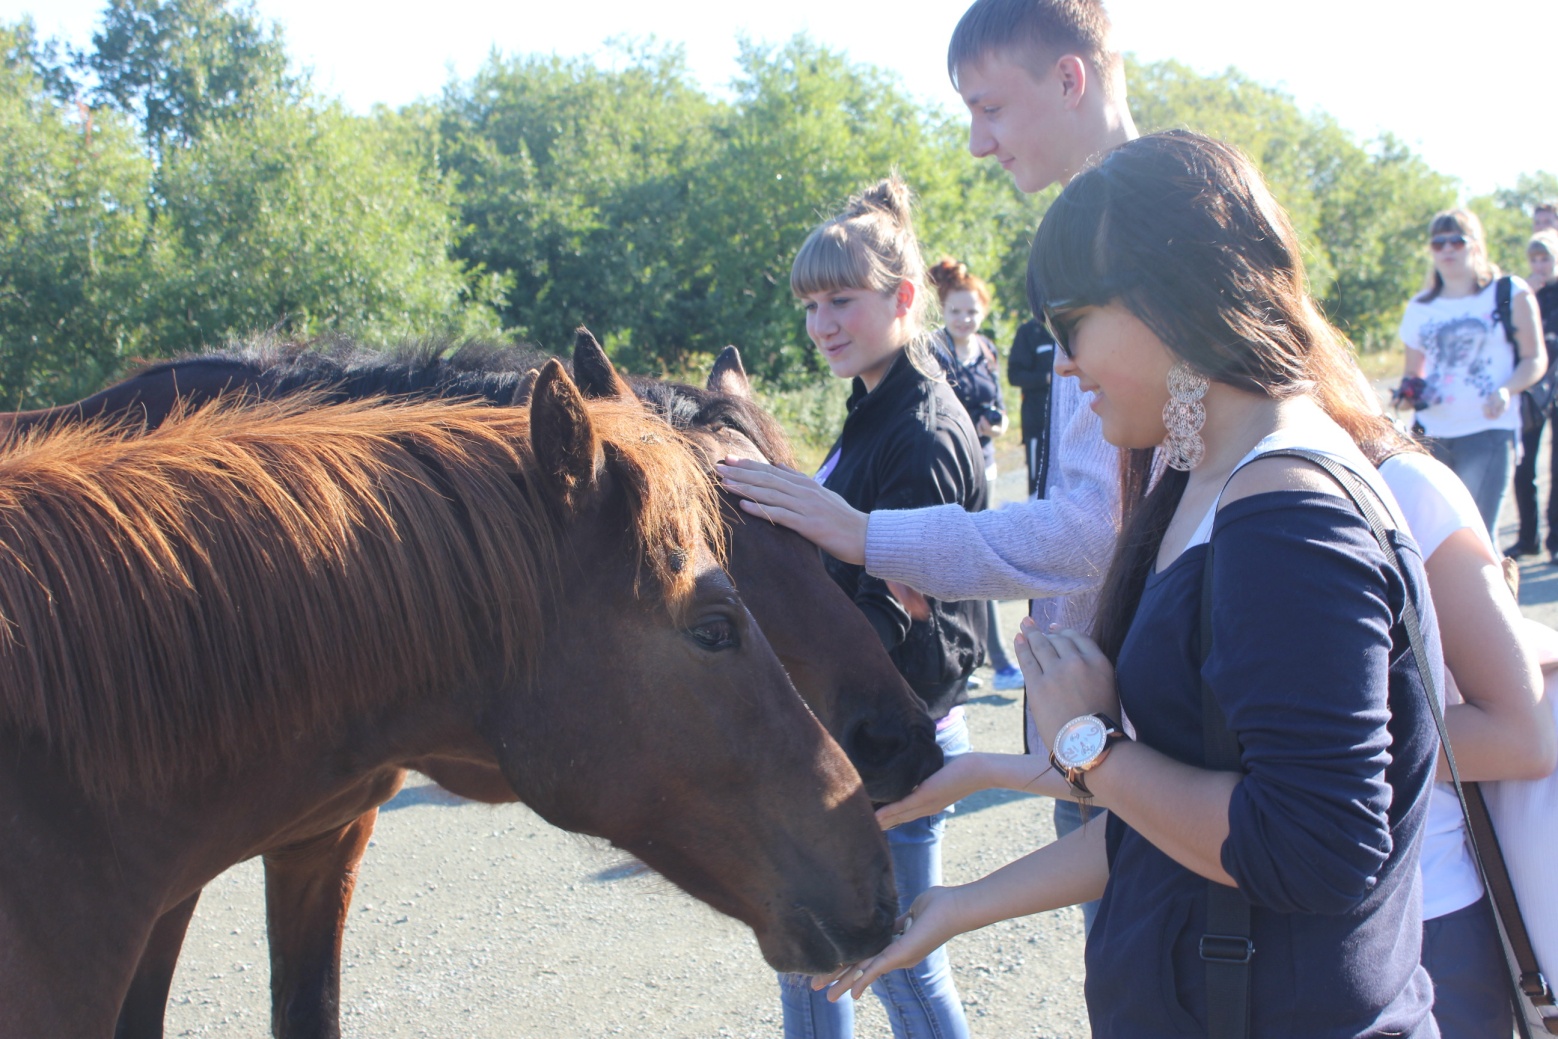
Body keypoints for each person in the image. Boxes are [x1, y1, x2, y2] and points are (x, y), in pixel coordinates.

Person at [807, 130, 1445, 1038]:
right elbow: (1176, 827)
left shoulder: (1287, 511)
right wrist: (957, 905)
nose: (1063, 365)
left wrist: (1090, 743)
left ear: (1169, 300)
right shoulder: (1208, 475)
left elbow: (1310, 849)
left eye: (1071, 326)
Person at [720, 0, 1138, 934]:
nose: (979, 143)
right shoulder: (1093, 231)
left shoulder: (1127, 234)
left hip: (1113, 715)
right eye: (810, 306)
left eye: (990, 108)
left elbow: (1090, 530)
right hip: (1093, 723)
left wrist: (862, 537)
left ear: (1070, 79)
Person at [775, 174, 986, 1039]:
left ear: (903, 298)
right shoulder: (872, 404)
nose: (821, 323)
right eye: (810, 305)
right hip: (848, 731)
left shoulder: (921, 431)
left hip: (891, 739)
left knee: (892, 963)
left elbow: (895, 613)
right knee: (816, 958)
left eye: (841, 301)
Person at [1399, 208, 1546, 542]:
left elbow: (1534, 359)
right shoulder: (1420, 306)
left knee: (1476, 538)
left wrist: (1507, 390)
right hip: (1432, 434)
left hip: (1488, 429)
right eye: (1438, 243)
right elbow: (1413, 374)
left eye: (1456, 241)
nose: (1447, 250)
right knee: (1436, 541)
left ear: (1476, 245)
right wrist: (1407, 395)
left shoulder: (1509, 292)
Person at [928, 257, 1024, 692]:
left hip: (984, 466)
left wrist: (998, 424)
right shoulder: (933, 350)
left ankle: (989, 662)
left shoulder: (986, 350)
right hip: (945, 468)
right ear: (943, 311)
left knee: (978, 563)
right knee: (949, 563)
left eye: (971, 311)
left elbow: (998, 404)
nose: (964, 319)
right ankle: (969, 665)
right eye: (955, 311)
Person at [1511, 228, 1558, 560]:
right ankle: (1528, 537)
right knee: (1523, 465)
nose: (1540, 265)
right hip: (1531, 390)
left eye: (1546, 258)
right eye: (1535, 259)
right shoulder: (1523, 294)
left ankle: (1555, 540)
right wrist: (1527, 295)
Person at [1007, 316, 1057, 497]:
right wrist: (1046, 378)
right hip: (1037, 424)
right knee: (1038, 485)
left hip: (1067, 424)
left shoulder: (1071, 325)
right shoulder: (1028, 332)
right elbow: (1014, 375)